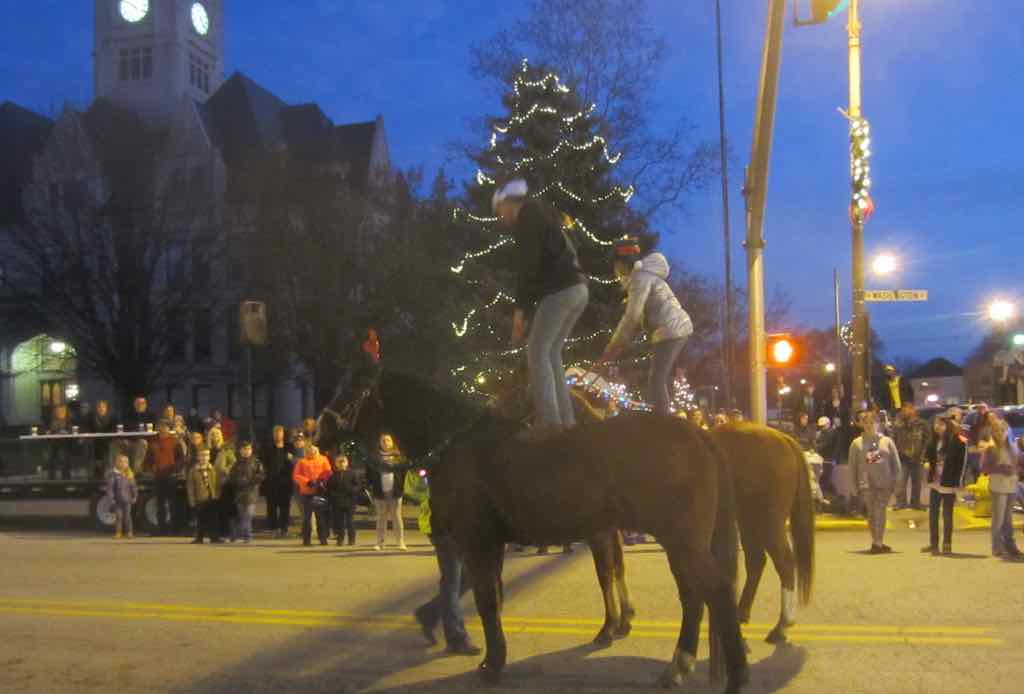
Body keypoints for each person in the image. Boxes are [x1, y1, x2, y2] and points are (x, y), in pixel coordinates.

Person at [492, 178, 589, 440]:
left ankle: (549, 422)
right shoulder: (543, 215)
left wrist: (520, 312)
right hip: (578, 289)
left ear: (508, 204)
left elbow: (528, 269)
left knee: (536, 351)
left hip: (560, 290)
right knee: (552, 353)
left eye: (499, 210)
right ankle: (566, 420)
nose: (501, 217)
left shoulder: (527, 219)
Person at [601, 236, 693, 416]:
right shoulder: (643, 277)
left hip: (670, 329)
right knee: (659, 376)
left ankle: (660, 421)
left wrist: (613, 346)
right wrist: (621, 344)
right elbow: (639, 319)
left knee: (656, 378)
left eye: (617, 265)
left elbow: (632, 316)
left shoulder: (639, 279)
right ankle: (659, 416)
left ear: (624, 263)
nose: (615, 270)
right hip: (674, 328)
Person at [413, 480, 482, 656]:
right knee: (452, 581)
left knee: (468, 578)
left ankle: (429, 613)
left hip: (457, 528)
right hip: (446, 530)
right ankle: (456, 639)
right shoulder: (446, 464)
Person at [848, 410, 901, 554]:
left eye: (872, 422)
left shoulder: (887, 441)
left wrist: (897, 485)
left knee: (880, 512)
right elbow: (852, 467)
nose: (869, 425)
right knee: (871, 513)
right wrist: (853, 487)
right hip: (866, 484)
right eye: (866, 423)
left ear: (878, 423)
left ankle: (878, 542)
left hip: (884, 484)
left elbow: (896, 465)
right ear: (861, 425)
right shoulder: (856, 444)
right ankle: (876, 541)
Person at [921, 416, 964, 555]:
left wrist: (958, 482)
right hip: (935, 482)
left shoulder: (957, 441)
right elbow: (926, 456)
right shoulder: (932, 441)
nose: (938, 427)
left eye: (941, 424)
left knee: (947, 515)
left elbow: (961, 463)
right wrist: (926, 463)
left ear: (947, 426)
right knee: (933, 514)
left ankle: (947, 543)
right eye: (936, 424)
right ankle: (933, 544)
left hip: (948, 482)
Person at [980, 417, 1022, 559]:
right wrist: (1001, 468)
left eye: (1003, 430)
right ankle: (997, 547)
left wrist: (1016, 469)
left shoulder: (1013, 447)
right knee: (998, 519)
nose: (1001, 433)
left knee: (1008, 519)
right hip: (998, 485)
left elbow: (1019, 464)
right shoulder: (991, 448)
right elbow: (984, 468)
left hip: (1011, 484)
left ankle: (1011, 546)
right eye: (998, 430)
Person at [365, 432, 414, 551]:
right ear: (379, 443)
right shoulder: (374, 458)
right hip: (379, 491)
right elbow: (369, 474)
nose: (385, 442)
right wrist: (370, 487)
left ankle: (400, 542)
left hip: (395, 491)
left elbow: (404, 473)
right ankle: (380, 543)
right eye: (383, 440)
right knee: (381, 517)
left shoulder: (399, 457)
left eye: (388, 440)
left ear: (392, 442)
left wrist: (402, 487)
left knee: (397, 517)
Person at [143, 419, 184, 536]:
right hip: (158, 477)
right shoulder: (152, 442)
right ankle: (162, 530)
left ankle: (175, 530)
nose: (162, 428)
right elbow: (148, 459)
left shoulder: (175, 442)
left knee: (173, 504)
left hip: (171, 476)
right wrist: (150, 469)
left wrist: (176, 470)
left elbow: (181, 459)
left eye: (165, 426)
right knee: (160, 504)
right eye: (160, 426)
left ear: (168, 428)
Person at [892, 402, 930, 510]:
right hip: (902, 458)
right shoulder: (898, 424)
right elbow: (893, 439)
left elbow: (927, 439)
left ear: (913, 410)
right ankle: (901, 502)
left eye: (907, 409)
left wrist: (924, 454)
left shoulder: (922, 424)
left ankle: (916, 502)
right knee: (900, 482)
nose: (905, 411)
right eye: (903, 410)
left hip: (917, 458)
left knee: (917, 482)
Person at [292, 444, 332, 546]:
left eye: (314, 451)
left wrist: (321, 480)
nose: (312, 453)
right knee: (307, 518)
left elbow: (328, 472)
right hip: (306, 493)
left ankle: (323, 539)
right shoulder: (302, 462)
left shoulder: (323, 459)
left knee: (320, 517)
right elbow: (296, 476)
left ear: (317, 451)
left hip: (319, 491)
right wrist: (307, 482)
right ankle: (306, 540)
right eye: (309, 451)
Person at [227, 440, 264, 543]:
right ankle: (237, 534)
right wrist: (238, 481)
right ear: (240, 451)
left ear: (251, 450)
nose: (246, 451)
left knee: (248, 514)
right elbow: (231, 477)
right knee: (241, 515)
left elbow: (261, 475)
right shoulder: (236, 464)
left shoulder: (256, 462)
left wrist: (251, 481)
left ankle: (247, 535)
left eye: (248, 449)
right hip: (239, 493)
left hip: (251, 493)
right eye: (244, 449)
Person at [263, 425, 295, 538]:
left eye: (279, 433)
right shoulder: (268, 447)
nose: (277, 435)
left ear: (283, 434)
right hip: (271, 482)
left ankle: (284, 529)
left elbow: (295, 464)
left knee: (285, 507)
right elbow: (263, 464)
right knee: (271, 507)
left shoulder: (289, 447)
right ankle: (273, 529)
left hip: (286, 482)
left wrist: (291, 459)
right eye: (275, 433)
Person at [187, 448, 222, 544]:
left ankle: (214, 537)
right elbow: (190, 487)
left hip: (212, 498)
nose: (204, 458)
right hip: (200, 498)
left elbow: (217, 484)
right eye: (202, 455)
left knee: (213, 519)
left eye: (206, 455)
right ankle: (199, 537)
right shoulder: (193, 470)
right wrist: (192, 500)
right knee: (200, 519)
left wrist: (217, 495)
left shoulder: (212, 468)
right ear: (198, 457)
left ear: (209, 457)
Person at [326, 453, 360, 546]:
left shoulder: (352, 474)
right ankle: (340, 538)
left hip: (350, 501)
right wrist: (334, 496)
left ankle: (351, 539)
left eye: (343, 462)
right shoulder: (333, 476)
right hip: (337, 501)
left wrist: (352, 491)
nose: (341, 464)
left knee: (350, 521)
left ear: (347, 463)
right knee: (339, 521)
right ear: (336, 464)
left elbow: (357, 485)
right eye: (339, 462)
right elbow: (329, 488)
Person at [208, 427, 236, 539]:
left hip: (223, 483)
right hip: (210, 483)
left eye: (217, 434)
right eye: (212, 434)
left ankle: (226, 533)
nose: (215, 437)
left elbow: (234, 462)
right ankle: (214, 533)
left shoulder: (226, 449)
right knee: (212, 510)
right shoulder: (207, 449)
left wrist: (226, 470)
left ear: (221, 436)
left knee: (224, 509)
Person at [105, 454, 138, 540]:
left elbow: (133, 486)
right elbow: (110, 488)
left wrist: (134, 496)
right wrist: (111, 499)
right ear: (116, 463)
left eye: (125, 462)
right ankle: (118, 533)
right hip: (117, 500)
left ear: (128, 464)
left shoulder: (129, 474)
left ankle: (129, 533)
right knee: (119, 517)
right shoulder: (113, 475)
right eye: (120, 461)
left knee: (127, 516)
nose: (123, 463)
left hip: (127, 499)